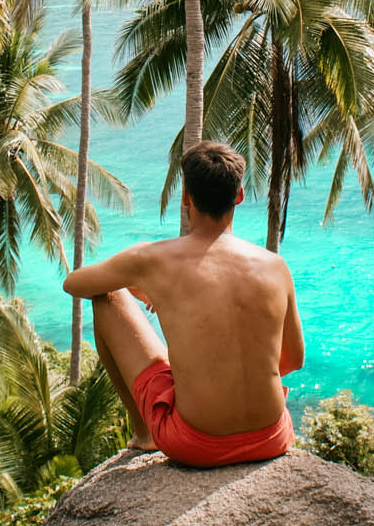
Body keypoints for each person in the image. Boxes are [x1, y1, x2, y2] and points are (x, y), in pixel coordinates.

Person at [63, 140, 304, 467]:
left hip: (197, 444)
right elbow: (292, 360)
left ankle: (145, 435)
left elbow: (74, 283)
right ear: (240, 196)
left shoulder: (152, 260)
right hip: (271, 437)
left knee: (108, 297)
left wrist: (132, 282)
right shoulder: (275, 265)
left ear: (186, 198)